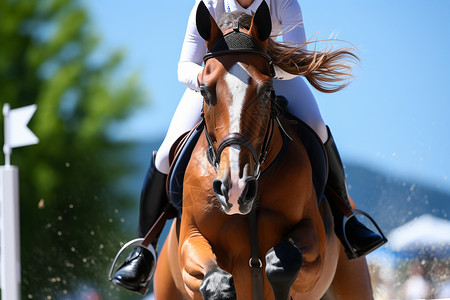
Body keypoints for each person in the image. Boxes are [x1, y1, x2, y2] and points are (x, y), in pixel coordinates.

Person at [110, 0, 386, 294]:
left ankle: (346, 219)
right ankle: (145, 249)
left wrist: (255, 70)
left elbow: (298, 59)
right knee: (167, 152)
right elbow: (183, 66)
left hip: (272, 76)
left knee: (316, 127)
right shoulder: (209, 3)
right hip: (215, 81)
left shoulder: (284, 3)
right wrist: (212, 77)